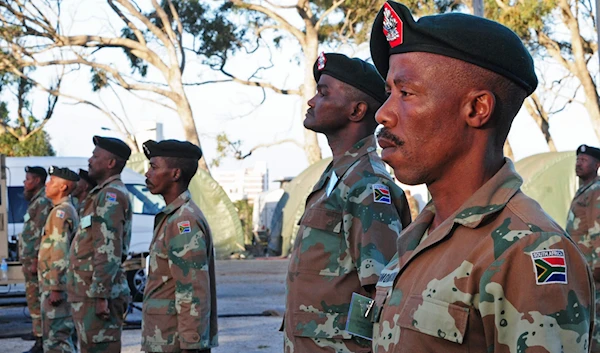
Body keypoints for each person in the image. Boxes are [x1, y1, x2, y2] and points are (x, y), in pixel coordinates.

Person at [368, 2, 594, 352]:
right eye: (388, 94)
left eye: (406, 93)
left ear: (476, 109)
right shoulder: (420, 234)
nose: (383, 113)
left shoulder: (526, 249)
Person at [283, 52, 412, 353]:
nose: (312, 101)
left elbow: (382, 291)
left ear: (357, 111)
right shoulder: (337, 175)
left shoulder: (367, 185)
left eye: (323, 93)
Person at [141, 139, 218, 353]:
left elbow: (192, 289)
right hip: (164, 338)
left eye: (154, 167)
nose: (148, 174)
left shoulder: (183, 221)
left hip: (174, 343)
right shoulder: (173, 216)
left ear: (175, 174)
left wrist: (191, 344)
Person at [67, 136, 132, 353]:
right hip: (88, 292)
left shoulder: (110, 196)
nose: (90, 160)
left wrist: (101, 294)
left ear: (110, 163)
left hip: (97, 295)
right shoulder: (101, 194)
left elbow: (108, 249)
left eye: (95, 156)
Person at [39, 166, 80, 353]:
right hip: (58, 285)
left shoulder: (60, 213)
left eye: (52, 181)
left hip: (56, 287)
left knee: (57, 341)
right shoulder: (62, 210)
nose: (47, 185)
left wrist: (55, 287)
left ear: (63, 187)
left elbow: (60, 250)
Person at [566, 144, 600, 351]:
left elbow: (598, 228)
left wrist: (599, 265)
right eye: (578, 159)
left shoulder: (596, 191)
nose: (579, 163)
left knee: (595, 319)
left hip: (594, 268)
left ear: (597, 165)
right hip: (584, 266)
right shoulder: (585, 191)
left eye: (585, 160)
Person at [20, 166, 52, 353]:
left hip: (35, 262)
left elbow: (42, 233)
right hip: (29, 260)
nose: (25, 182)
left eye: (28, 179)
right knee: (33, 300)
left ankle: (42, 341)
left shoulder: (42, 202)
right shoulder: (35, 201)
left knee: (38, 300)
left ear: (38, 180)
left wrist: (35, 260)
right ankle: (38, 335)